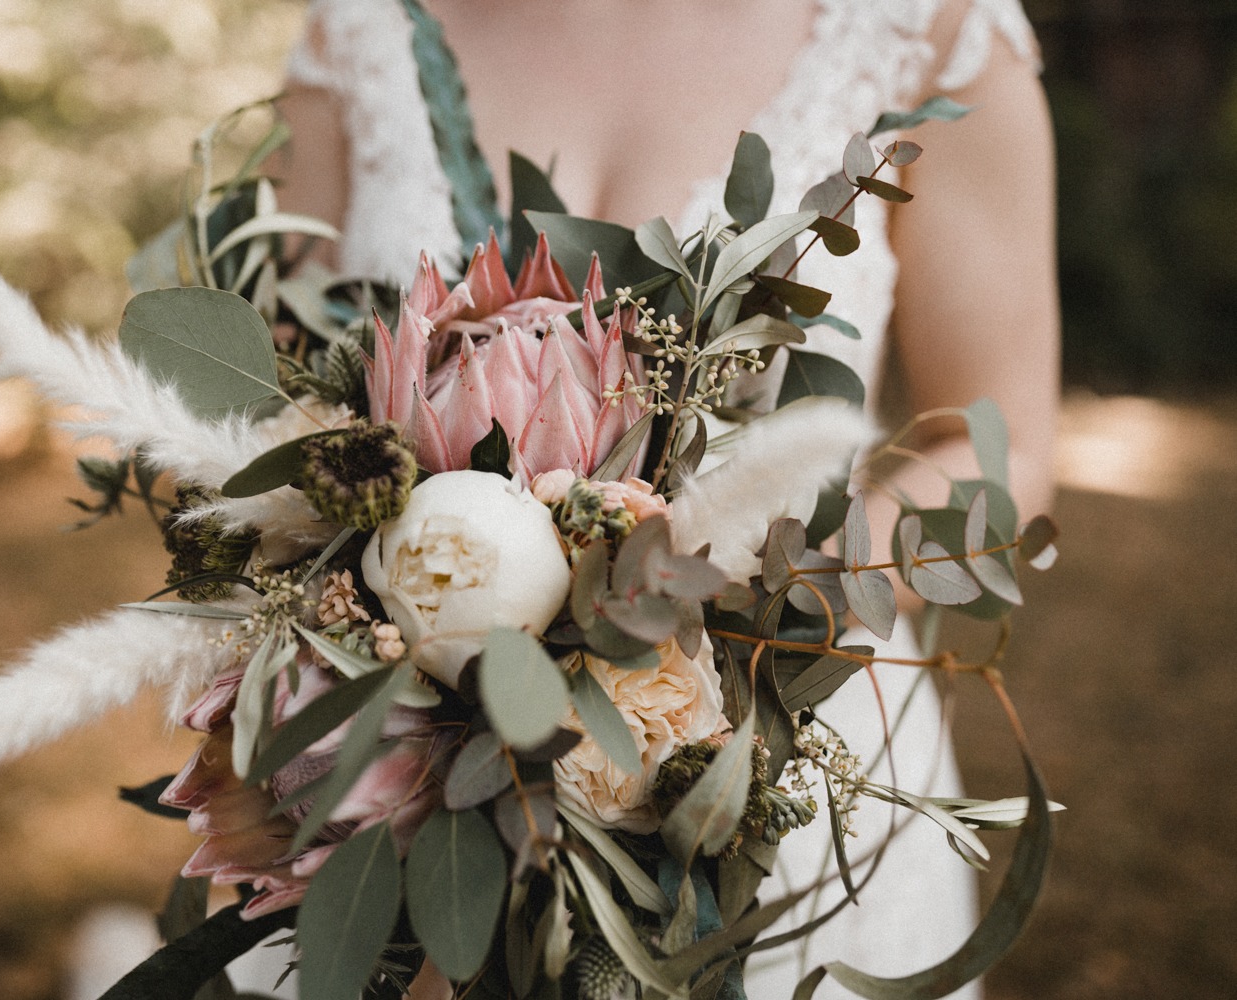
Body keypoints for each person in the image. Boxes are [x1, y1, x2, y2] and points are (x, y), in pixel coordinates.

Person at [243, 0, 1060, 996]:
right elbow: (277, 421)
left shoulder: (927, 28)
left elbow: (995, 440)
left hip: (773, 766)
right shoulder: (357, 29)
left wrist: (746, 616)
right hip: (396, 786)